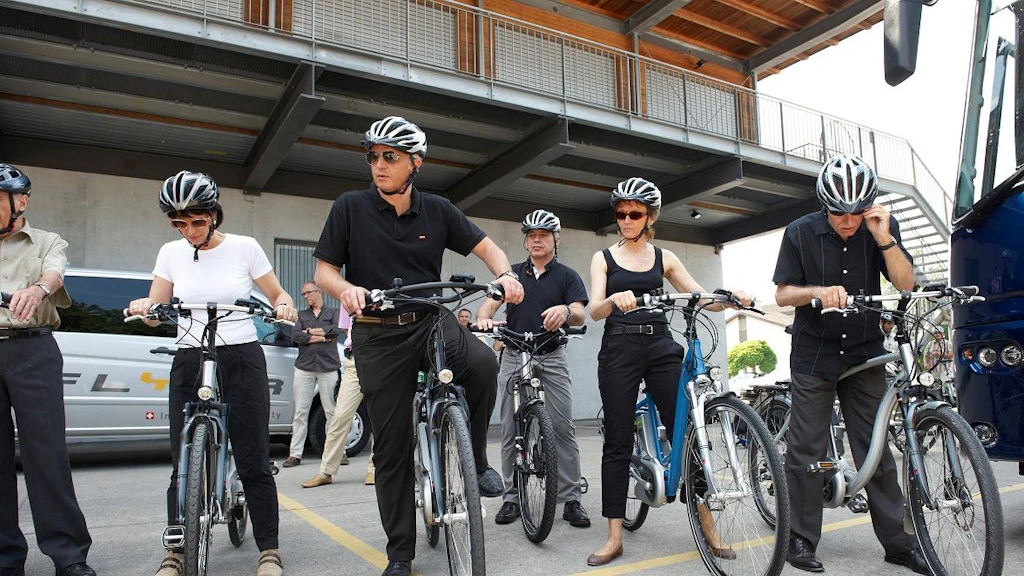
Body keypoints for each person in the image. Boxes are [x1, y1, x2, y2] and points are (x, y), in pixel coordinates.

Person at [312, 116, 524, 576]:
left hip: (430, 320)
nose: (379, 165)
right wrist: (344, 289)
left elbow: (488, 248)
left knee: (484, 363)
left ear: (415, 163)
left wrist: (505, 274)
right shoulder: (349, 207)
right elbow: (323, 271)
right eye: (373, 156)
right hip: (377, 332)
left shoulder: (438, 209)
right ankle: (400, 554)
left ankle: (479, 460)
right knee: (391, 447)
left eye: (390, 156)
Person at [128, 170, 297, 576]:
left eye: (197, 221)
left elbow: (278, 293)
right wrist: (146, 309)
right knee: (182, 456)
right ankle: (176, 552)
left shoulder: (245, 247)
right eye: (178, 222)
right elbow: (157, 306)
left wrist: (285, 306)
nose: (188, 230)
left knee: (253, 455)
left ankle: (268, 549)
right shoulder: (170, 253)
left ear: (215, 215)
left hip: (240, 353)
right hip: (190, 353)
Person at [773, 154, 927, 574]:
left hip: (865, 351)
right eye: (839, 212)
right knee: (806, 448)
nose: (848, 220)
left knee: (875, 449)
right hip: (814, 353)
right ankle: (801, 540)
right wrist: (819, 292)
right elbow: (784, 294)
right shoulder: (800, 232)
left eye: (857, 212)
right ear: (825, 204)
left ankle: (897, 543)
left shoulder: (878, 229)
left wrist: (885, 239)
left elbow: (905, 283)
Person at [586, 177, 750, 567]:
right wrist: (613, 298)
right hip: (620, 344)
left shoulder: (665, 257)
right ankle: (614, 536)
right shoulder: (603, 258)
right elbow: (593, 310)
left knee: (687, 431)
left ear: (650, 217)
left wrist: (729, 297)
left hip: (660, 343)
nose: (626, 219)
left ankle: (708, 527)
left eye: (635, 213)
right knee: (618, 439)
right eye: (621, 213)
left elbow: (700, 296)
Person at [0, 164, 96, 576]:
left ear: (19, 201)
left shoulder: (46, 241)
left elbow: (54, 273)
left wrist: (37, 288)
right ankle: (5, 558)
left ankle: (69, 555)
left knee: (47, 455)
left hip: (32, 350)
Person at [475, 209, 591, 529]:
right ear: (526, 241)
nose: (536, 239)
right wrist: (485, 315)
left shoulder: (567, 275)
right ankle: (512, 497)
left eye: (543, 234)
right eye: (531, 235)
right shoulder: (510, 274)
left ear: (557, 239)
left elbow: (581, 313)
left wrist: (566, 310)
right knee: (510, 427)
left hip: (552, 355)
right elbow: (490, 303)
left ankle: (571, 499)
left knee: (562, 425)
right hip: (514, 353)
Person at [301, 310, 376, 488]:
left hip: (378, 357)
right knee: (340, 416)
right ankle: (326, 471)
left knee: (378, 416)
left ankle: (375, 468)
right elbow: (346, 329)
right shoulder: (346, 298)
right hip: (354, 361)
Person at [283, 281, 341, 468]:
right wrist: (321, 337)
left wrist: (309, 333)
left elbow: (335, 330)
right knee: (301, 411)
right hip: (304, 367)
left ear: (319, 292)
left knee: (331, 411)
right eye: (304, 294)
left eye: (308, 293)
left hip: (328, 366)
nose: (306, 296)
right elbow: (296, 336)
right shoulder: (301, 315)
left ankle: (339, 453)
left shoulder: (334, 312)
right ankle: (295, 454)